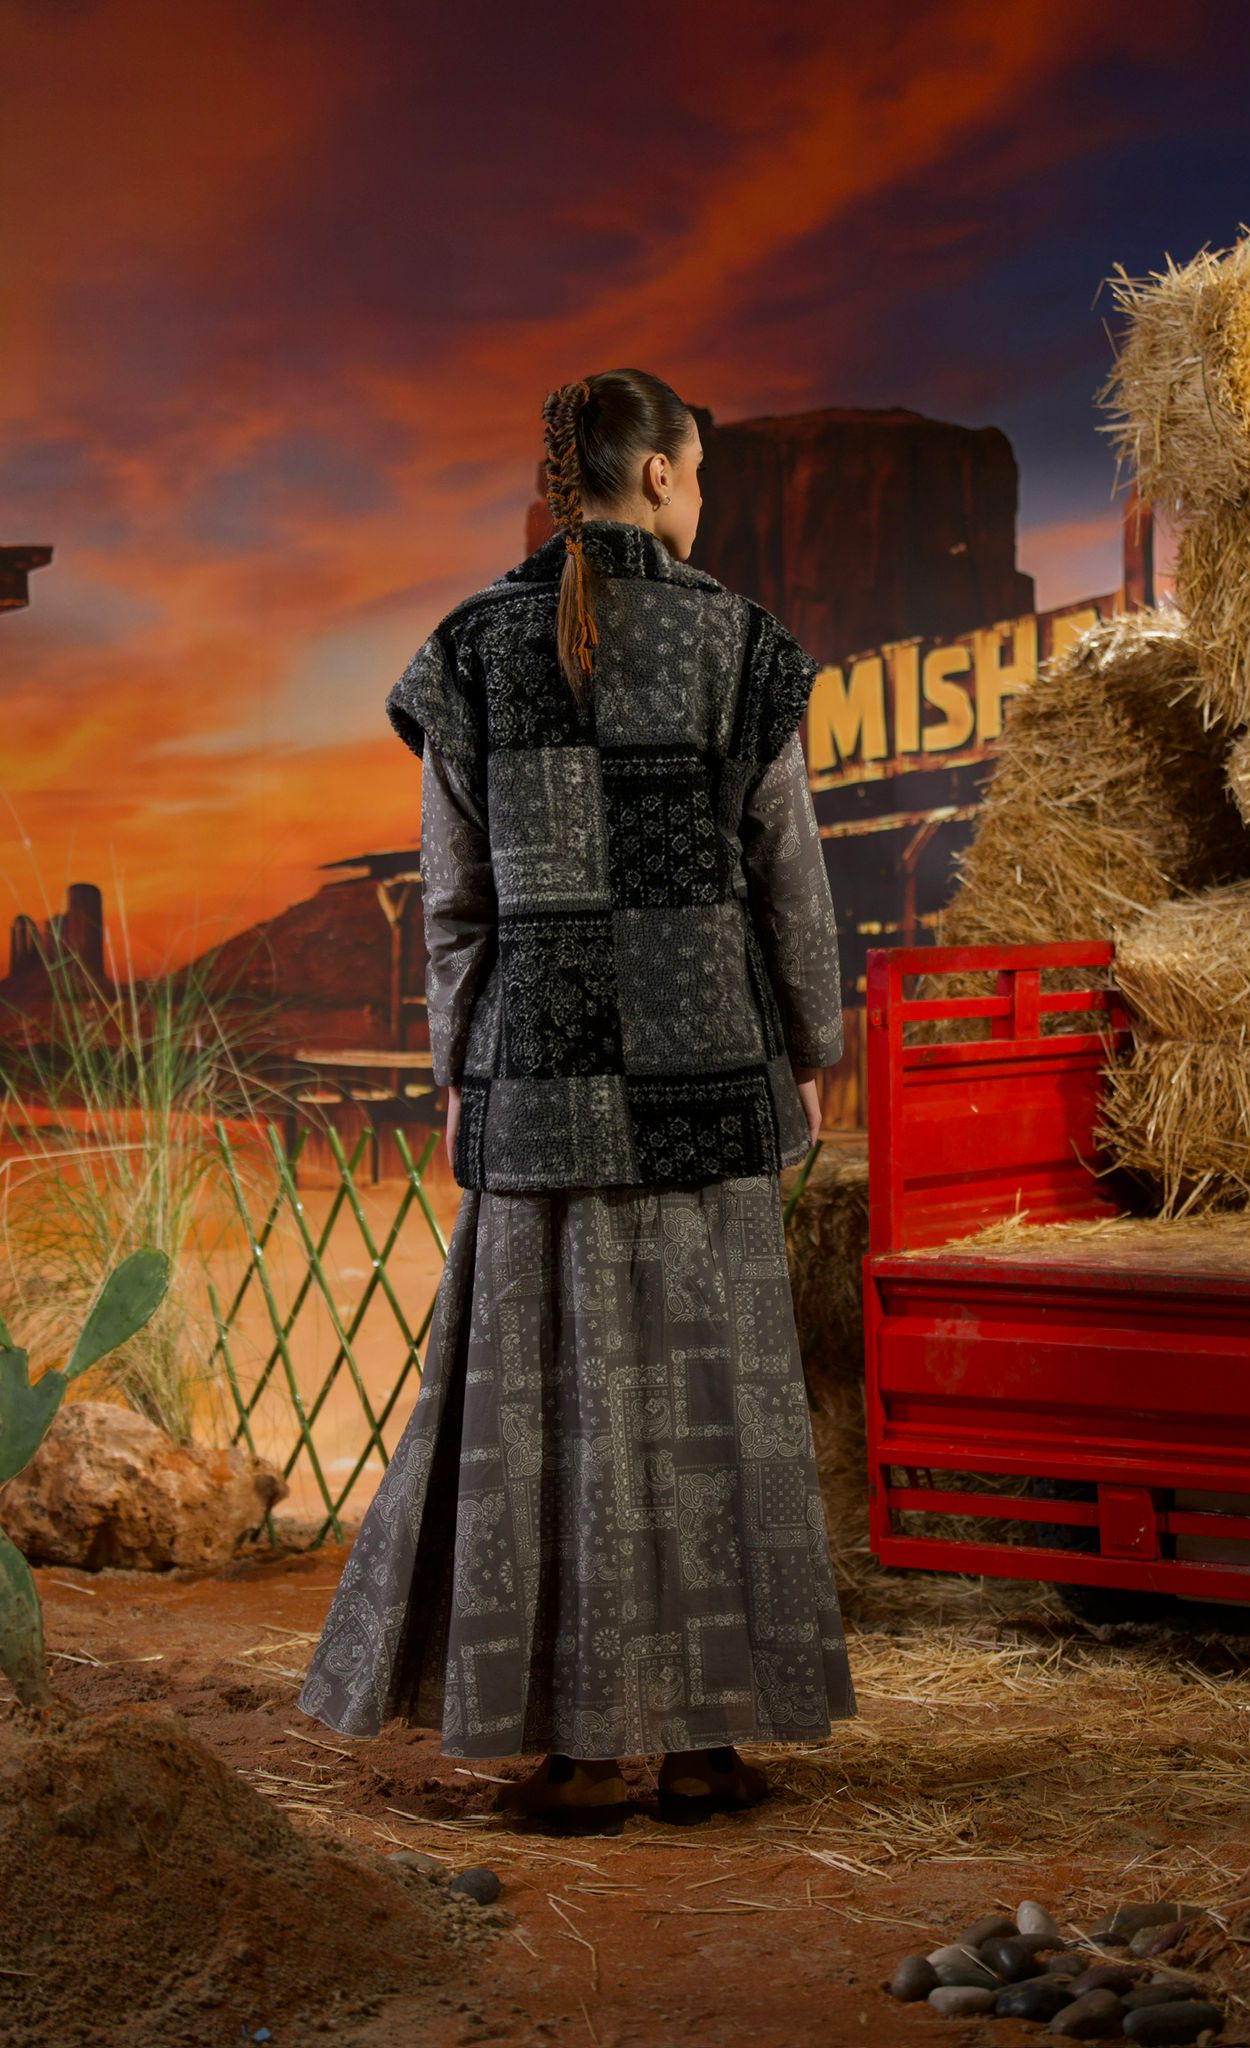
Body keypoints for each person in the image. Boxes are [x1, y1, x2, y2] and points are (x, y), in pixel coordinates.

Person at [297, 366, 858, 1832]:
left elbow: (454, 905)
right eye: (696, 470)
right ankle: (703, 1748)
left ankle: (580, 1754)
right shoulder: (741, 645)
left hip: (536, 1083)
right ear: (661, 474)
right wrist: (813, 1045)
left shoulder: (467, 649)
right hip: (708, 1075)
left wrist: (458, 1068)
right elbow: (789, 880)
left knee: (555, 1413)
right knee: (710, 1400)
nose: (698, 492)